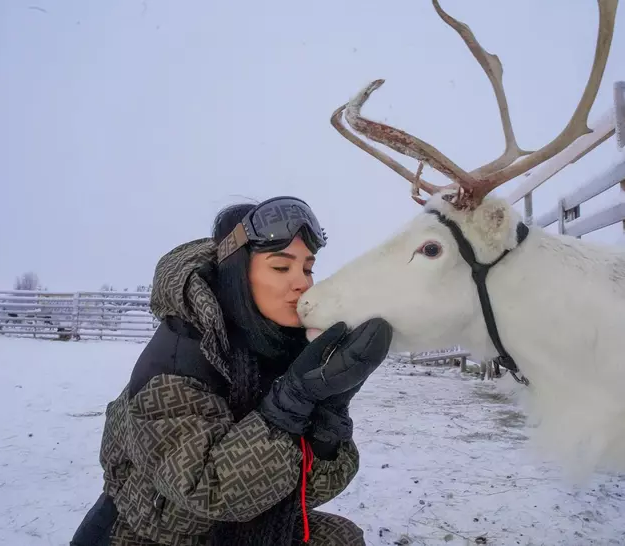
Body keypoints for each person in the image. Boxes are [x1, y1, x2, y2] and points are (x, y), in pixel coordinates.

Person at [70, 196, 392, 546]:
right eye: (281, 268)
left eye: (308, 268)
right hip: (143, 536)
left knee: (340, 539)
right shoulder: (176, 362)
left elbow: (295, 492)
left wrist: (330, 416)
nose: (302, 283)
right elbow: (209, 491)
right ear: (236, 271)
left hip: (233, 530)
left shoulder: (279, 344)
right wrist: (288, 407)